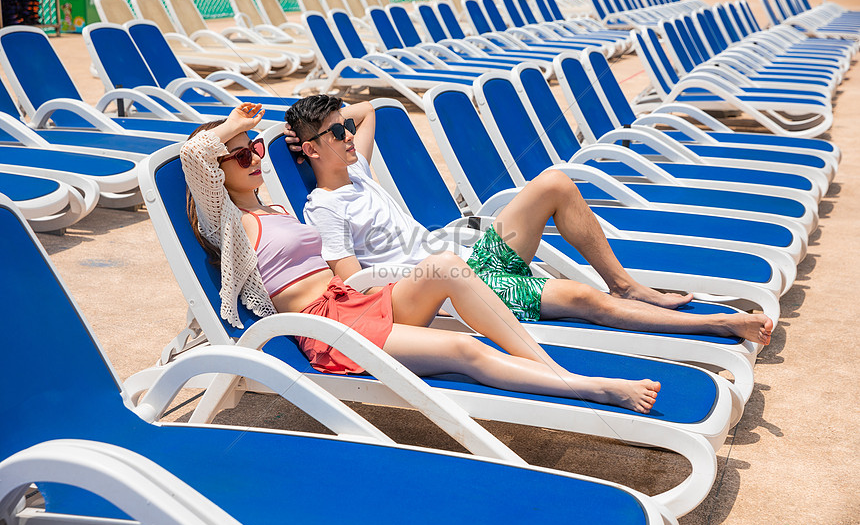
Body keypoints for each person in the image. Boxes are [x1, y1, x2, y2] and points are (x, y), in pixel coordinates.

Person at [180, 102, 661, 413]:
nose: (256, 157)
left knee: (447, 266)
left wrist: (306, 137)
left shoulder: (275, 206)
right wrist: (235, 126)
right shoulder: (231, 224)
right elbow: (193, 157)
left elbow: (368, 113)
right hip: (324, 328)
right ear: (216, 173)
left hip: (351, 303)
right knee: (465, 351)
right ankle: (588, 387)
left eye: (257, 148)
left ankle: (557, 372)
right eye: (241, 155)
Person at [284, 95, 773, 344]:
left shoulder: (359, 169)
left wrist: (326, 124)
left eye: (346, 129)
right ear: (309, 149)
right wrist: (439, 277)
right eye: (335, 133)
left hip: (468, 251)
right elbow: (357, 287)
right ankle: (718, 325)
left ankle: (624, 283)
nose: (350, 134)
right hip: (452, 283)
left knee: (555, 183)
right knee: (582, 299)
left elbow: (372, 111)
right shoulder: (325, 206)